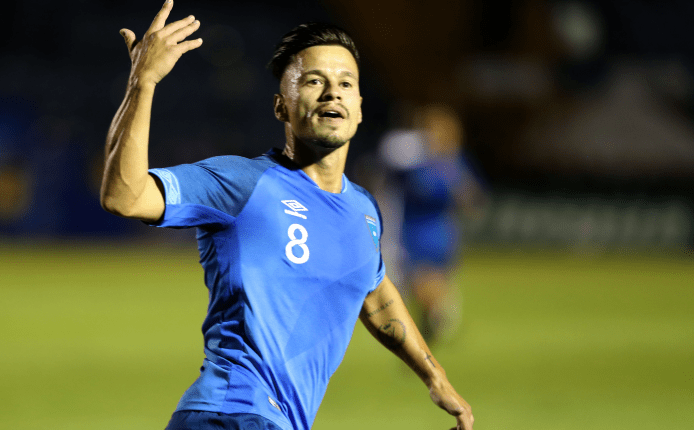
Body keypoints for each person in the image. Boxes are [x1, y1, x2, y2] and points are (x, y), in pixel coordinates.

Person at [100, 2, 474, 429]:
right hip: (230, 414)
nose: (333, 92)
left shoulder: (363, 210)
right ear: (281, 107)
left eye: (345, 83)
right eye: (314, 81)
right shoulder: (241, 182)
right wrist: (142, 84)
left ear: (360, 107)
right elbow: (125, 197)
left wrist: (434, 375)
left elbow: (375, 290)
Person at [380, 105, 486, 345]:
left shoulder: (454, 163)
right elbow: (386, 173)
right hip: (412, 231)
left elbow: (472, 198)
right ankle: (433, 318)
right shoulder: (411, 161)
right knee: (416, 289)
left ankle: (435, 317)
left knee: (427, 284)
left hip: (439, 232)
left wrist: (466, 198)